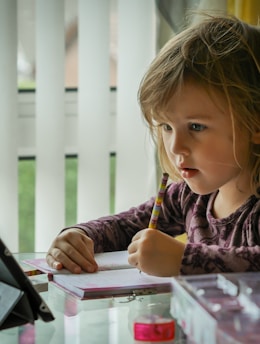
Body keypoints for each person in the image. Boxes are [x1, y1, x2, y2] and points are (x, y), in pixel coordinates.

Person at [46, 14, 260, 277]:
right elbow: (124, 226)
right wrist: (79, 237)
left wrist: (184, 260)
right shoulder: (188, 196)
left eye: (196, 126)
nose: (176, 146)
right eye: (167, 127)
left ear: (255, 125)